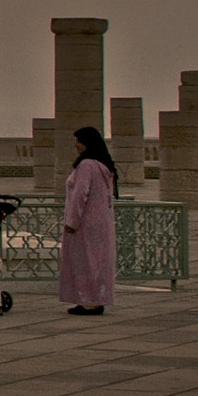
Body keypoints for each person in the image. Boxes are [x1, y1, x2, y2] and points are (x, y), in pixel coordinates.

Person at [60, 125, 118, 316]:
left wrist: (72, 221)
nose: (76, 145)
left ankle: (89, 301)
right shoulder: (103, 166)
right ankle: (95, 299)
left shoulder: (87, 165)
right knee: (97, 262)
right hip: (101, 223)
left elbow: (79, 195)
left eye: (78, 141)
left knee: (84, 262)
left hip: (85, 224)